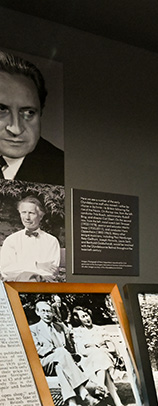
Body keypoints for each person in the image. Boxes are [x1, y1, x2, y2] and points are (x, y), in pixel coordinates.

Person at [30, 299, 101, 406]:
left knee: (60, 367)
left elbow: (69, 346)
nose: (47, 314)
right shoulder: (33, 329)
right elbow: (37, 349)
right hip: (46, 363)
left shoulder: (60, 327)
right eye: (43, 311)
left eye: (49, 311)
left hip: (61, 363)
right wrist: (57, 350)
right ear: (37, 312)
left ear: (53, 312)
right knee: (61, 352)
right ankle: (84, 392)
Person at [0, 50, 64, 185]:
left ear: (41, 112)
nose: (16, 129)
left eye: (29, 112)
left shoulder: (62, 167)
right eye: (1, 109)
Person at [71, 306, 126, 406]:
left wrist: (93, 346)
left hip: (105, 357)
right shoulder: (78, 332)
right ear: (78, 319)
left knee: (101, 358)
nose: (87, 318)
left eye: (87, 315)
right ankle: (117, 401)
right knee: (101, 360)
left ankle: (100, 386)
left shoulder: (100, 329)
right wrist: (98, 347)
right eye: (83, 317)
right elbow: (82, 351)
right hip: (88, 360)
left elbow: (112, 348)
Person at [0, 194, 61, 281]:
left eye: (31, 213)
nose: (27, 217)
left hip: (42, 285)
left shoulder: (51, 241)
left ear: (40, 216)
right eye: (23, 212)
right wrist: (37, 265)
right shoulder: (11, 240)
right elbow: (6, 269)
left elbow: (50, 272)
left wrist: (21, 268)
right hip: (16, 284)